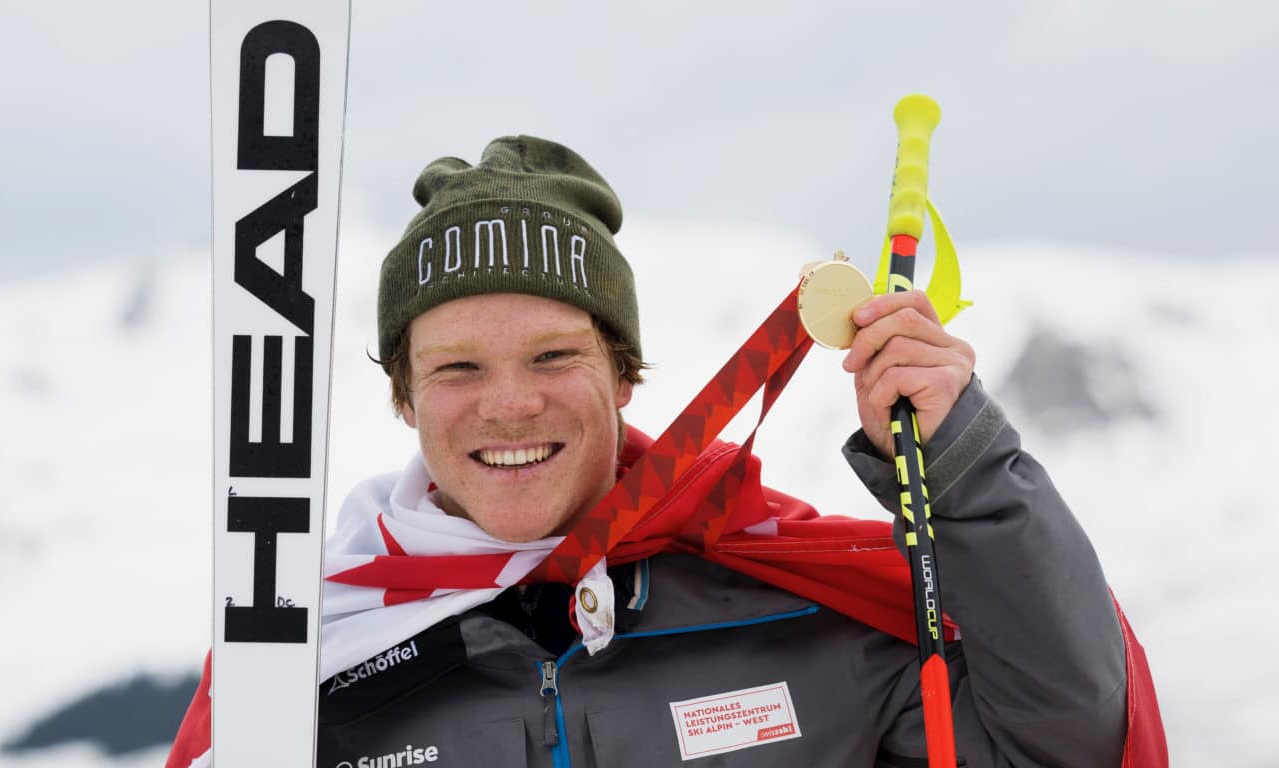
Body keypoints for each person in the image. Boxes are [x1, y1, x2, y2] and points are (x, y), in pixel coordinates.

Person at [168, 136, 1165, 767]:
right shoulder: (311, 658)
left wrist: (964, 469)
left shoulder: (801, 625)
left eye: (554, 355)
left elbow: (1068, 740)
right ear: (404, 399)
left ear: (624, 377)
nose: (508, 405)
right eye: (458, 369)